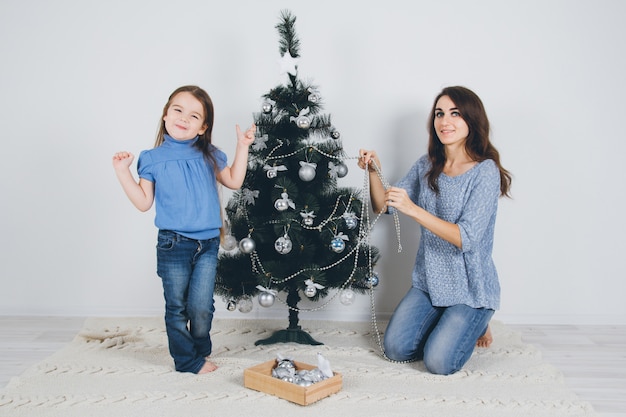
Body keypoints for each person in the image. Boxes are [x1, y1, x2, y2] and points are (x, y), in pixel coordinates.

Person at [358, 86, 511, 375]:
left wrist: (414, 209)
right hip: (430, 283)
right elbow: (384, 206)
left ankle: (476, 316)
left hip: (470, 288)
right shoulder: (427, 164)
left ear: (471, 120)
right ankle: (449, 320)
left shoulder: (484, 171)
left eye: (455, 114)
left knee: (439, 363)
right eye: (439, 114)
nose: (445, 121)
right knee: (395, 349)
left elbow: (466, 238)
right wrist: (373, 170)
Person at [112, 85, 256, 374]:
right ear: (166, 114)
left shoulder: (210, 154)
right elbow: (143, 202)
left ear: (203, 127)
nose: (183, 118)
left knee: (201, 308)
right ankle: (187, 361)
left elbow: (234, 181)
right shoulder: (151, 158)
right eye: (178, 110)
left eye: (194, 116)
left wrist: (243, 147)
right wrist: (122, 172)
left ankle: (200, 352)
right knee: (176, 308)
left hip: (208, 243)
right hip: (173, 244)